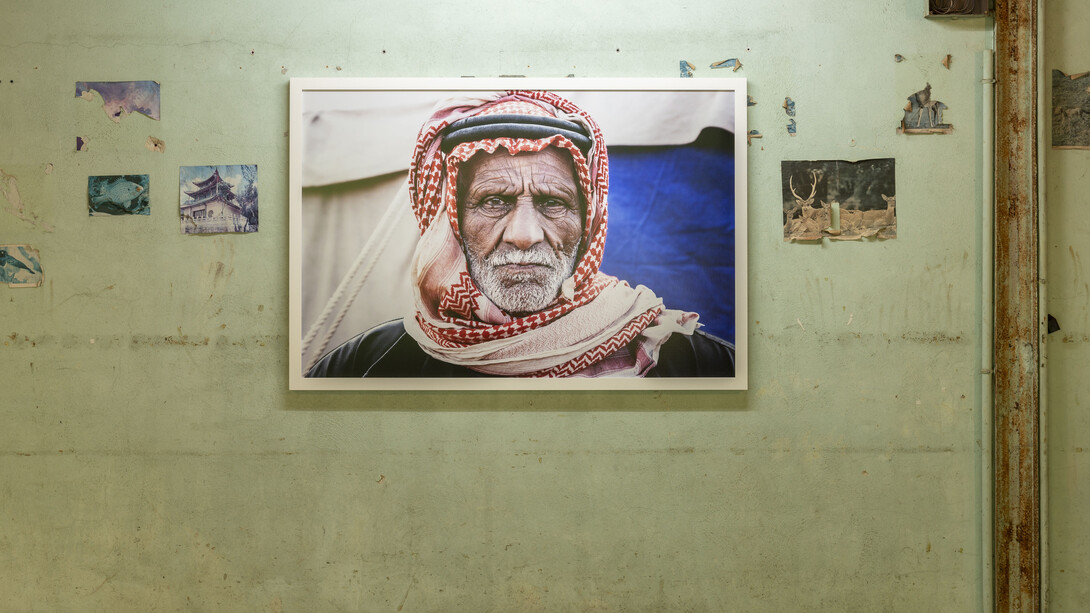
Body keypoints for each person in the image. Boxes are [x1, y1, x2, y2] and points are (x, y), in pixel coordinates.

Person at [307, 90, 734, 378]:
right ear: (451, 221)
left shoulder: (692, 362)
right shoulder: (368, 367)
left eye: (553, 203)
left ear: (589, 222)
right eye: (494, 202)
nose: (525, 235)